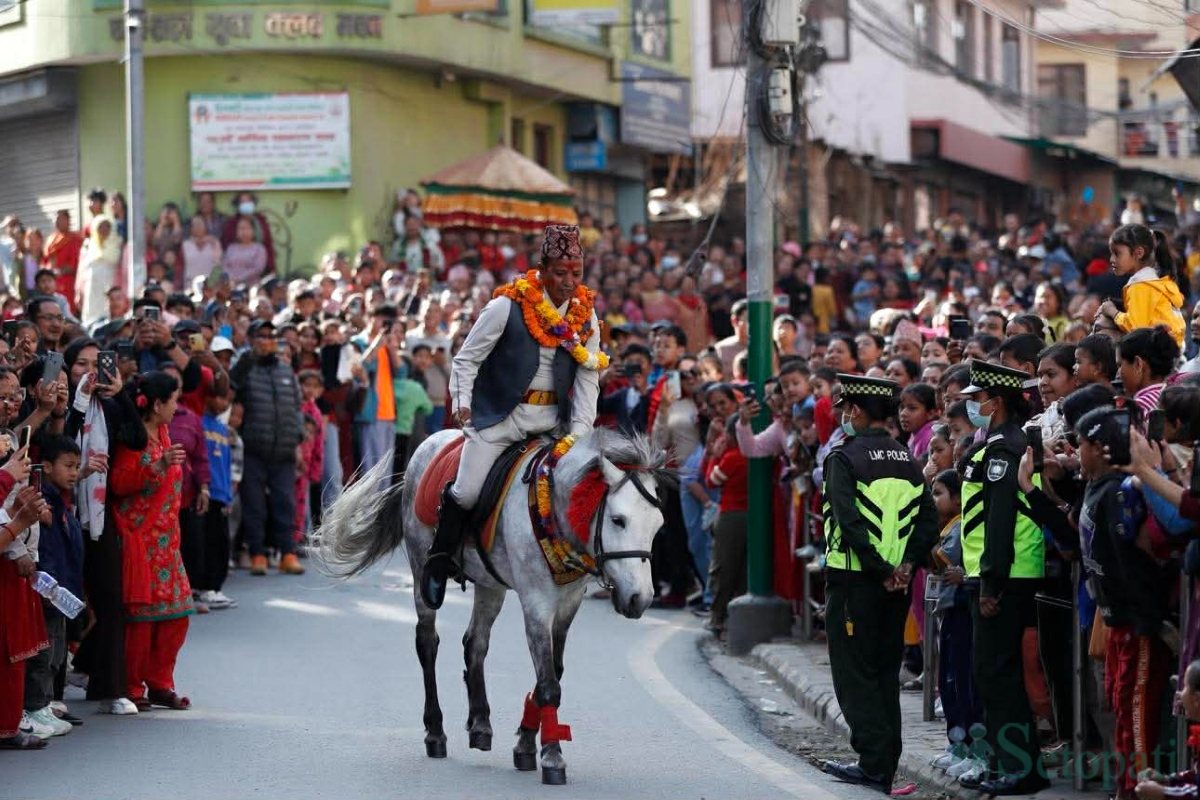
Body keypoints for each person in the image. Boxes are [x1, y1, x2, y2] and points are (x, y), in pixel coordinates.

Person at [420, 224, 605, 610]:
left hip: (552, 427)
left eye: (577, 273)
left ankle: (587, 564)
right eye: (560, 273)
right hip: (498, 420)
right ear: (541, 268)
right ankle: (439, 561)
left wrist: (581, 434)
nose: (569, 282)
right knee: (467, 490)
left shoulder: (587, 318)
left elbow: (589, 379)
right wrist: (461, 402)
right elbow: (466, 359)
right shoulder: (506, 306)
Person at [820, 374, 938, 794]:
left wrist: (880, 567)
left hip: (856, 582)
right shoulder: (907, 458)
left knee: (855, 674)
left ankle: (872, 763)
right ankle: (885, 762)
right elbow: (927, 519)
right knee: (884, 673)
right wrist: (904, 566)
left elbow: (848, 522)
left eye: (846, 407)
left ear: (857, 410)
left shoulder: (843, 457)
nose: (843, 415)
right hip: (896, 585)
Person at [957, 359, 1048, 795]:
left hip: (1005, 573)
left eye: (976, 399)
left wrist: (990, 582)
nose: (971, 406)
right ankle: (1001, 762)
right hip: (998, 571)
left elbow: (999, 519)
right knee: (990, 670)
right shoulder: (997, 443)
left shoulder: (1003, 449)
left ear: (994, 402)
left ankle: (1021, 767)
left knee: (998, 671)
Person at [110, 371, 194, 711]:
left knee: (177, 614)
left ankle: (160, 682)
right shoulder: (133, 440)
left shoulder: (161, 430)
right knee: (142, 619)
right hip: (140, 541)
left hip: (167, 542)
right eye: (173, 400)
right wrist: (157, 466)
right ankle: (133, 686)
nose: (177, 407)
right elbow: (118, 483)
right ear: (157, 404)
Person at [230, 319, 305, 576]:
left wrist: (298, 443)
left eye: (270, 335)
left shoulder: (286, 371)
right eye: (260, 336)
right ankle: (257, 554)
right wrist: (250, 357)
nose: (267, 339)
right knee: (255, 505)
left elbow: (296, 409)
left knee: (286, 503)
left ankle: (287, 553)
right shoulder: (244, 367)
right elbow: (230, 387)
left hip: (283, 450)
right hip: (253, 448)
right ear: (251, 340)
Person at [23, 435, 84, 735]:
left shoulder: (61, 503)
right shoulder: (41, 502)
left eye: (77, 466)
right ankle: (33, 707)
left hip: (62, 592)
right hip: (46, 592)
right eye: (68, 466)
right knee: (42, 653)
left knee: (57, 652)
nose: (74, 473)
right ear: (45, 466)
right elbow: (42, 551)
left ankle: (44, 704)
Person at [1096, 223, 1185, 347]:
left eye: (1117, 253)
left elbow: (1136, 328)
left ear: (1139, 253)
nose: (1111, 259)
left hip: (1159, 356)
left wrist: (1112, 312)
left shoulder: (1140, 285)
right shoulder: (1157, 280)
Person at [76, 216, 122, 326]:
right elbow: (81, 272)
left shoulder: (117, 244)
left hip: (110, 289)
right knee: (91, 321)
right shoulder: (88, 246)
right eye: (100, 227)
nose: (104, 230)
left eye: (107, 227)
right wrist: (79, 292)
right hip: (92, 290)